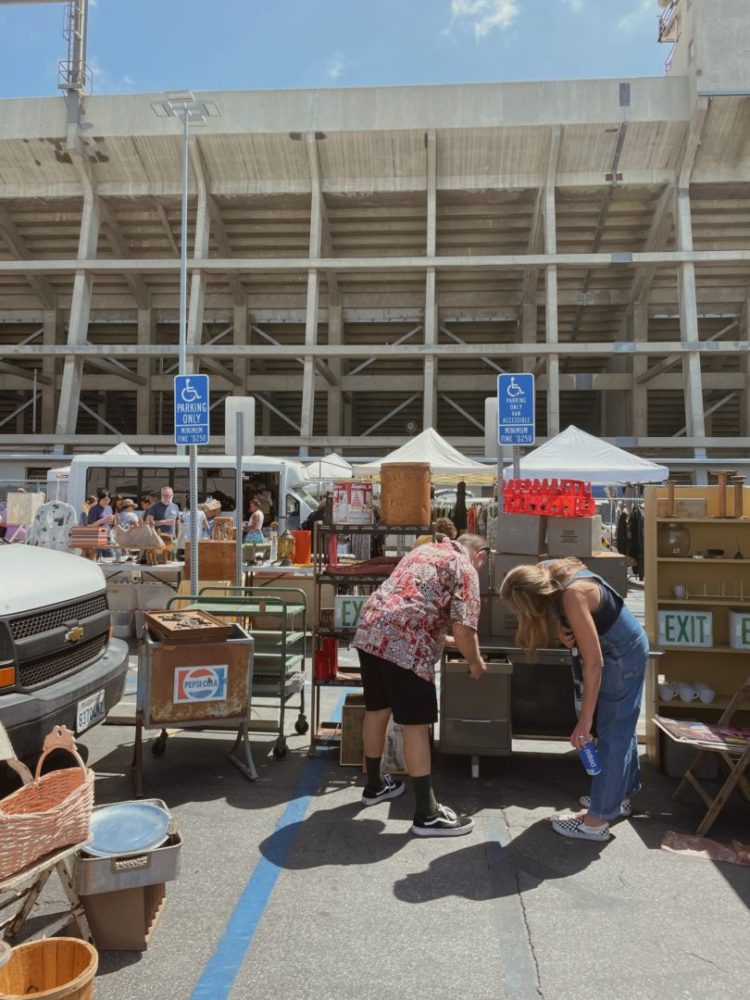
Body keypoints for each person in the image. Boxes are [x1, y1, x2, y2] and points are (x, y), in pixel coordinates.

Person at [499, 558, 649, 842]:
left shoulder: (572, 595)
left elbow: (595, 664)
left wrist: (584, 720)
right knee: (621, 726)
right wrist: (567, 627)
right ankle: (619, 796)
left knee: (612, 733)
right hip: (625, 645)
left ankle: (596, 821)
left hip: (621, 656)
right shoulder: (548, 569)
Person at [352, 533, 488, 837]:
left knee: (377, 709)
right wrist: (476, 662)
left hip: (371, 628)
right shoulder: (464, 567)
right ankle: (427, 814)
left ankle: (374, 785)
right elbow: (465, 631)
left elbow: (415, 603)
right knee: (416, 725)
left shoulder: (425, 550)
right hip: (405, 644)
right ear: (480, 555)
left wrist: (447, 640)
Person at [86, 492, 114, 559]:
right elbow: (89, 526)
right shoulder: (94, 509)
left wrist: (112, 521)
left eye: (107, 499)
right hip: (97, 537)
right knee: (95, 559)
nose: (106, 501)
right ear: (99, 499)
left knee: (111, 560)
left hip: (108, 536)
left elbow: (109, 523)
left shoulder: (109, 508)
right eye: (104, 499)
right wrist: (104, 520)